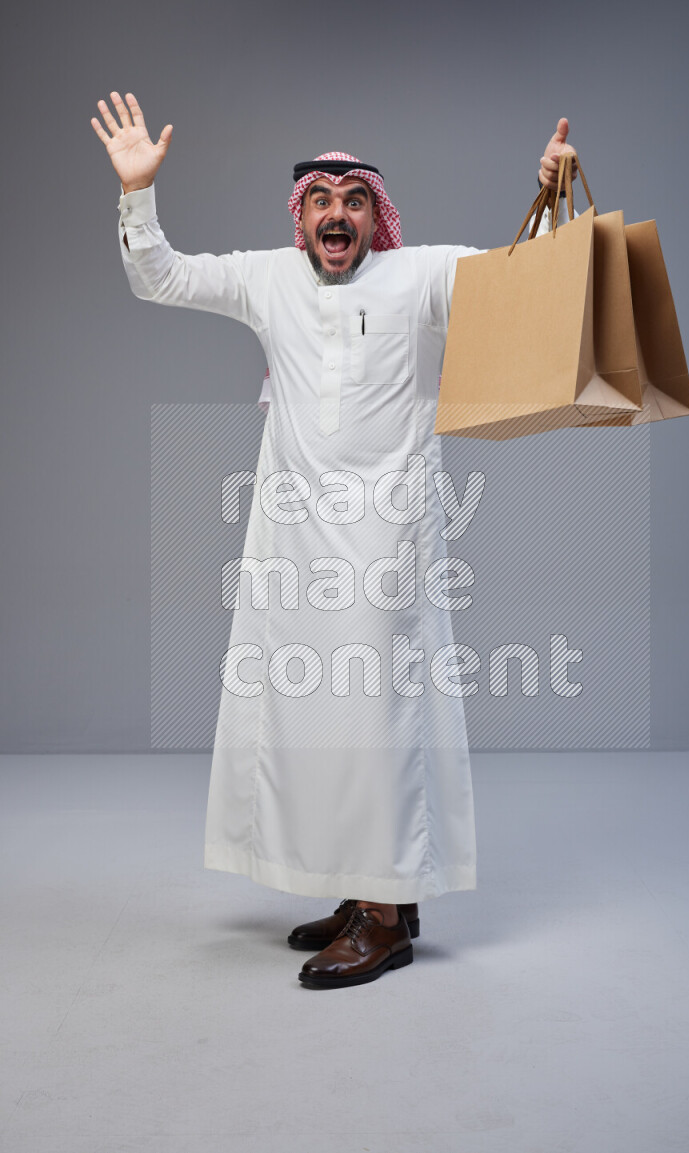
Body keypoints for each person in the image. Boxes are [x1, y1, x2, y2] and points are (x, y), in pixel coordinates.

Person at [91, 92, 577, 989]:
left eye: (356, 199)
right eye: (323, 199)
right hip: (294, 542)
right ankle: (366, 892)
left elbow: (525, 280)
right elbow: (160, 275)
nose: (339, 213)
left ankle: (389, 918)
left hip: (389, 535)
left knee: (377, 719)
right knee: (314, 719)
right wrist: (137, 195)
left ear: (374, 216)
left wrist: (548, 193)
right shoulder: (264, 279)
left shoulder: (422, 274)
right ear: (302, 216)